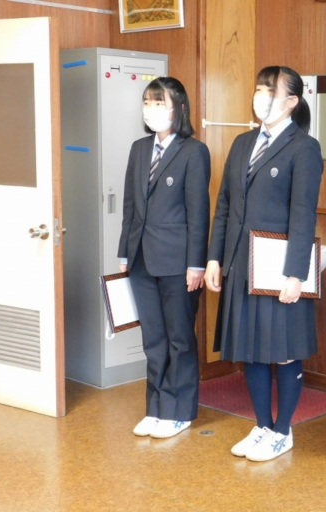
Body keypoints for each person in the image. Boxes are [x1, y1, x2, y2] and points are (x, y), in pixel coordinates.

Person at [205, 65, 324, 462]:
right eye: (258, 89)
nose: (261, 97)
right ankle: (261, 425)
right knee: (251, 350)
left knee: (284, 350)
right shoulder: (242, 143)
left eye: (271, 91)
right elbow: (223, 206)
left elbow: (303, 214)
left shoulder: (304, 147)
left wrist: (296, 274)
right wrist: (214, 258)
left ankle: (282, 430)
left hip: (277, 269)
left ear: (292, 101)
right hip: (241, 264)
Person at [118, 77, 211, 439]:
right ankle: (155, 407)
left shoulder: (193, 151)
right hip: (141, 258)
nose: (152, 109)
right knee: (153, 339)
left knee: (179, 339)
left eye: (160, 103)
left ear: (179, 108)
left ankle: (180, 410)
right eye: (148, 103)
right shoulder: (139, 149)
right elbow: (130, 206)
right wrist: (125, 253)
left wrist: (196, 264)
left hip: (178, 262)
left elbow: (197, 213)